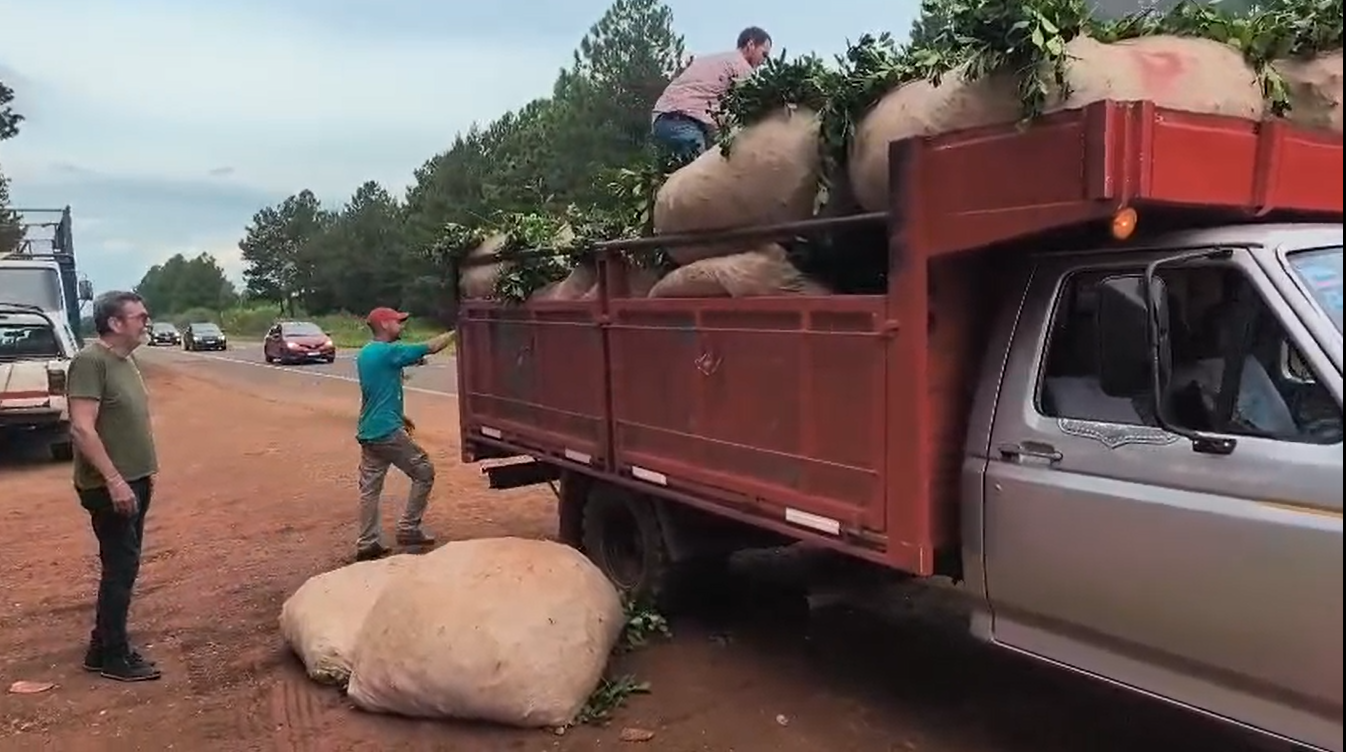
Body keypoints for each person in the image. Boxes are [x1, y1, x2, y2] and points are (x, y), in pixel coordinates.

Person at [67, 290, 161, 682]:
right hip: (111, 486)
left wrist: (139, 475)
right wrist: (114, 480)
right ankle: (114, 656)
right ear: (115, 323)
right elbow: (81, 428)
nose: (146, 321)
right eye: (139, 316)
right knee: (120, 569)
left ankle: (100, 647)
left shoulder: (126, 360)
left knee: (123, 565)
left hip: (134, 480)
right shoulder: (91, 362)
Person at [354, 307, 455, 561]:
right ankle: (409, 528)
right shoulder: (388, 352)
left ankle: (367, 542)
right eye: (398, 322)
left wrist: (399, 416)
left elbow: (376, 393)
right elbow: (430, 347)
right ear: (385, 325)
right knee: (424, 471)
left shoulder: (367, 353)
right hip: (387, 431)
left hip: (369, 429)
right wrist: (460, 330)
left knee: (370, 489)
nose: (402, 326)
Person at [651, 26, 772, 159]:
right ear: (751, 45)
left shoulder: (719, 60)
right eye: (764, 54)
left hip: (664, 120)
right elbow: (755, 104)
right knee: (700, 168)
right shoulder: (741, 66)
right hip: (681, 121)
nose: (764, 61)